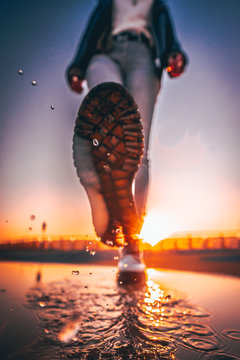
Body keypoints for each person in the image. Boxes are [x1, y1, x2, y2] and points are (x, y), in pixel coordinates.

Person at [66, 0, 188, 280]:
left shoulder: (157, 5)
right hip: (104, 55)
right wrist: (77, 65)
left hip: (144, 57)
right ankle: (103, 169)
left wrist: (174, 55)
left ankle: (132, 247)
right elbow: (90, 33)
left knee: (138, 148)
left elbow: (169, 38)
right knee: (112, 102)